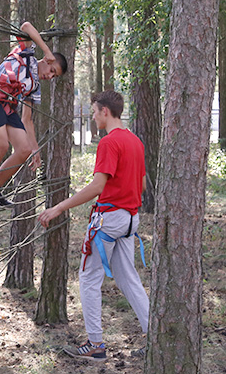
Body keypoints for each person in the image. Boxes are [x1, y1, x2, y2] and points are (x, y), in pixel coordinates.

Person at [38, 90, 149, 362]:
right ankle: (155, 337)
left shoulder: (109, 142)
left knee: (88, 278)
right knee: (128, 277)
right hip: (130, 220)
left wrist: (59, 207)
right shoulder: (135, 141)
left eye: (94, 112)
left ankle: (95, 344)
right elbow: (143, 185)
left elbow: (98, 186)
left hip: (109, 220)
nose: (92, 117)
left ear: (105, 112)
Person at [0, 21, 68, 210]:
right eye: (52, 70)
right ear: (47, 60)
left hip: (7, 106)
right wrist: (47, 50)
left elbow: (27, 119)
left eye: (54, 76)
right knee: (1, 145)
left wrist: (35, 149)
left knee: (24, 149)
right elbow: (25, 26)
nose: (50, 76)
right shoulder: (28, 54)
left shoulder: (34, 87)